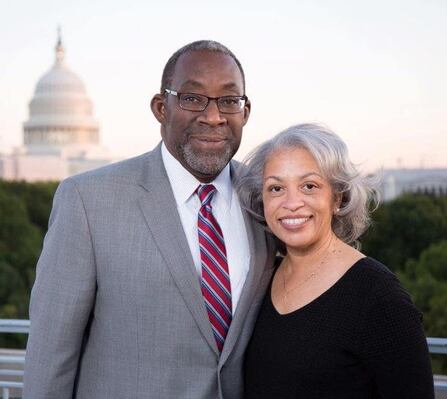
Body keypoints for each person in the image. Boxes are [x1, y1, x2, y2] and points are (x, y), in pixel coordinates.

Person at [23, 40, 276, 399]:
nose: (213, 116)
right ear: (161, 107)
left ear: (245, 111)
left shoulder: (265, 199)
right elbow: (51, 354)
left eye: (229, 101)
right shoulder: (88, 201)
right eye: (192, 98)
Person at [239, 124, 434, 398]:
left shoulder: (379, 298)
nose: (292, 202)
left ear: (338, 198)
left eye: (309, 186)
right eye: (276, 188)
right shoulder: (261, 276)